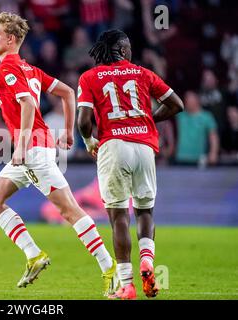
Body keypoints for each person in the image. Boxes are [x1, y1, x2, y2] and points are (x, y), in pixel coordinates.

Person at [0, 12, 116, 296]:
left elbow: (30, 104)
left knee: (69, 210)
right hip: (36, 146)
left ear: (11, 39)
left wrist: (20, 146)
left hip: (31, 149)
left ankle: (109, 268)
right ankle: (33, 254)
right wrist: (68, 132)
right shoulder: (29, 69)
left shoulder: (7, 67)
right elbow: (69, 92)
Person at [77, 30, 184, 299]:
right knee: (145, 211)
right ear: (123, 50)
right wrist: (146, 120)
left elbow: (83, 121)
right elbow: (176, 104)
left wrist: (89, 141)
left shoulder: (89, 77)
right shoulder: (143, 73)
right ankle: (147, 261)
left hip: (114, 146)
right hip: (145, 148)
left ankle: (127, 285)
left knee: (118, 216)